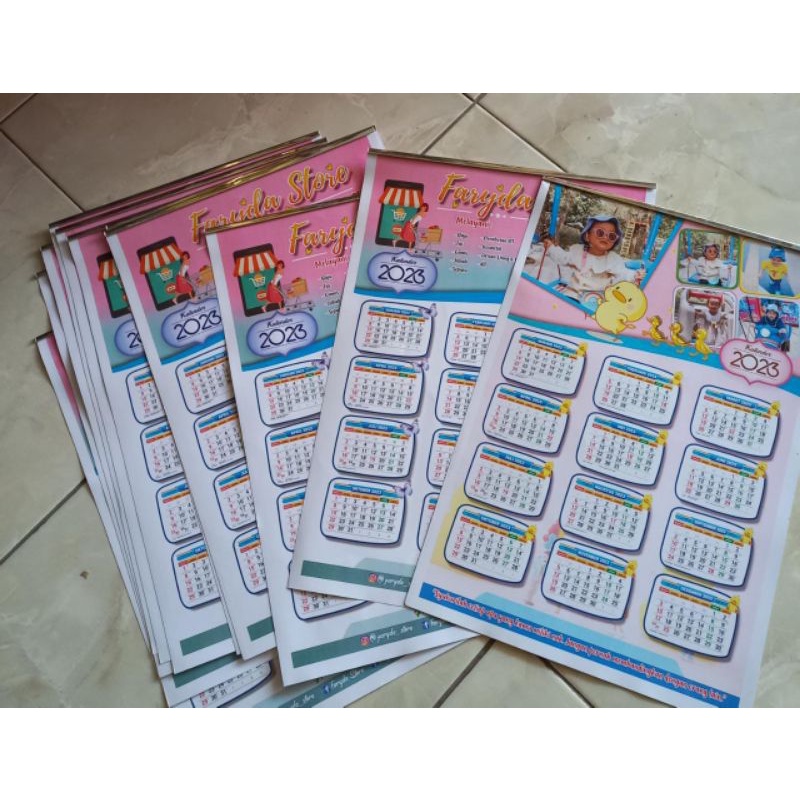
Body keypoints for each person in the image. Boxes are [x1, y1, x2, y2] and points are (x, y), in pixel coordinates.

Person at [541, 215, 644, 301]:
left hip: (596, 299)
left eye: (611, 236)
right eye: (600, 233)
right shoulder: (578, 251)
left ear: (614, 241)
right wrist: (551, 248)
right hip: (573, 294)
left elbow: (623, 273)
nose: (605, 237)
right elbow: (563, 258)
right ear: (587, 236)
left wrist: (635, 275)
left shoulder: (613, 259)